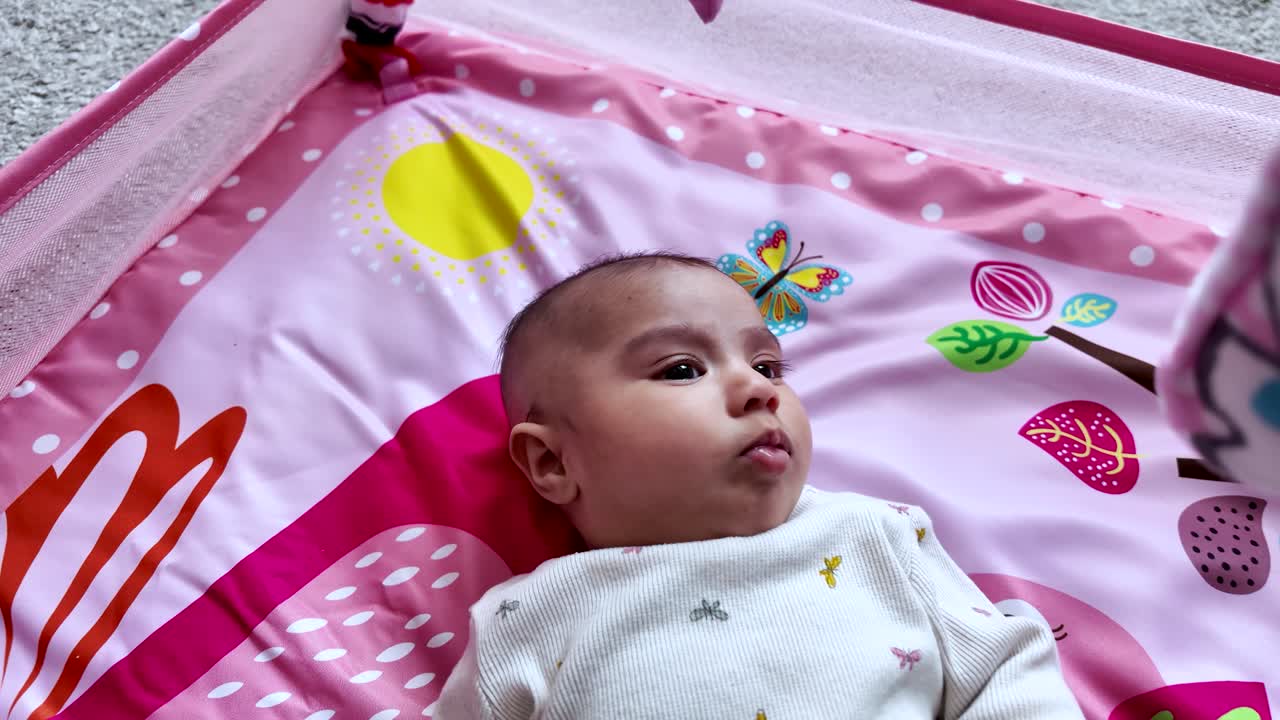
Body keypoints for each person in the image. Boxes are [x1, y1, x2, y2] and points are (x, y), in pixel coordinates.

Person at [434, 252, 1084, 719]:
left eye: (767, 363)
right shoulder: (528, 618)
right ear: (553, 464)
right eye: (683, 369)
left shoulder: (873, 537)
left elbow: (1004, 669)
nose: (759, 389)